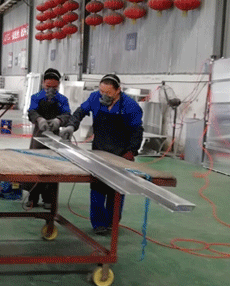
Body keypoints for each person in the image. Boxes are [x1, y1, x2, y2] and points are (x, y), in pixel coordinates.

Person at [61, 74, 143, 235]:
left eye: (108, 92)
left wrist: (131, 151)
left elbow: (136, 131)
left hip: (120, 153)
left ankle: (112, 222)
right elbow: (80, 112)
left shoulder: (130, 106)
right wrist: (71, 126)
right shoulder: (94, 98)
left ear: (118, 90)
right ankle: (98, 223)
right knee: (97, 188)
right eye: (101, 91)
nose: (104, 95)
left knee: (116, 189)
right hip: (99, 150)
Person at [27, 68, 71, 209]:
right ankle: (33, 197)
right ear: (42, 83)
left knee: (53, 167)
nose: (51, 89)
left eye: (54, 87)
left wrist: (59, 120)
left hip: (54, 137)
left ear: (58, 85)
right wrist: (39, 119)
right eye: (48, 86)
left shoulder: (62, 100)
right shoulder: (36, 97)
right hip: (38, 135)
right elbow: (31, 111)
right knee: (35, 165)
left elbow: (67, 114)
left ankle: (49, 198)